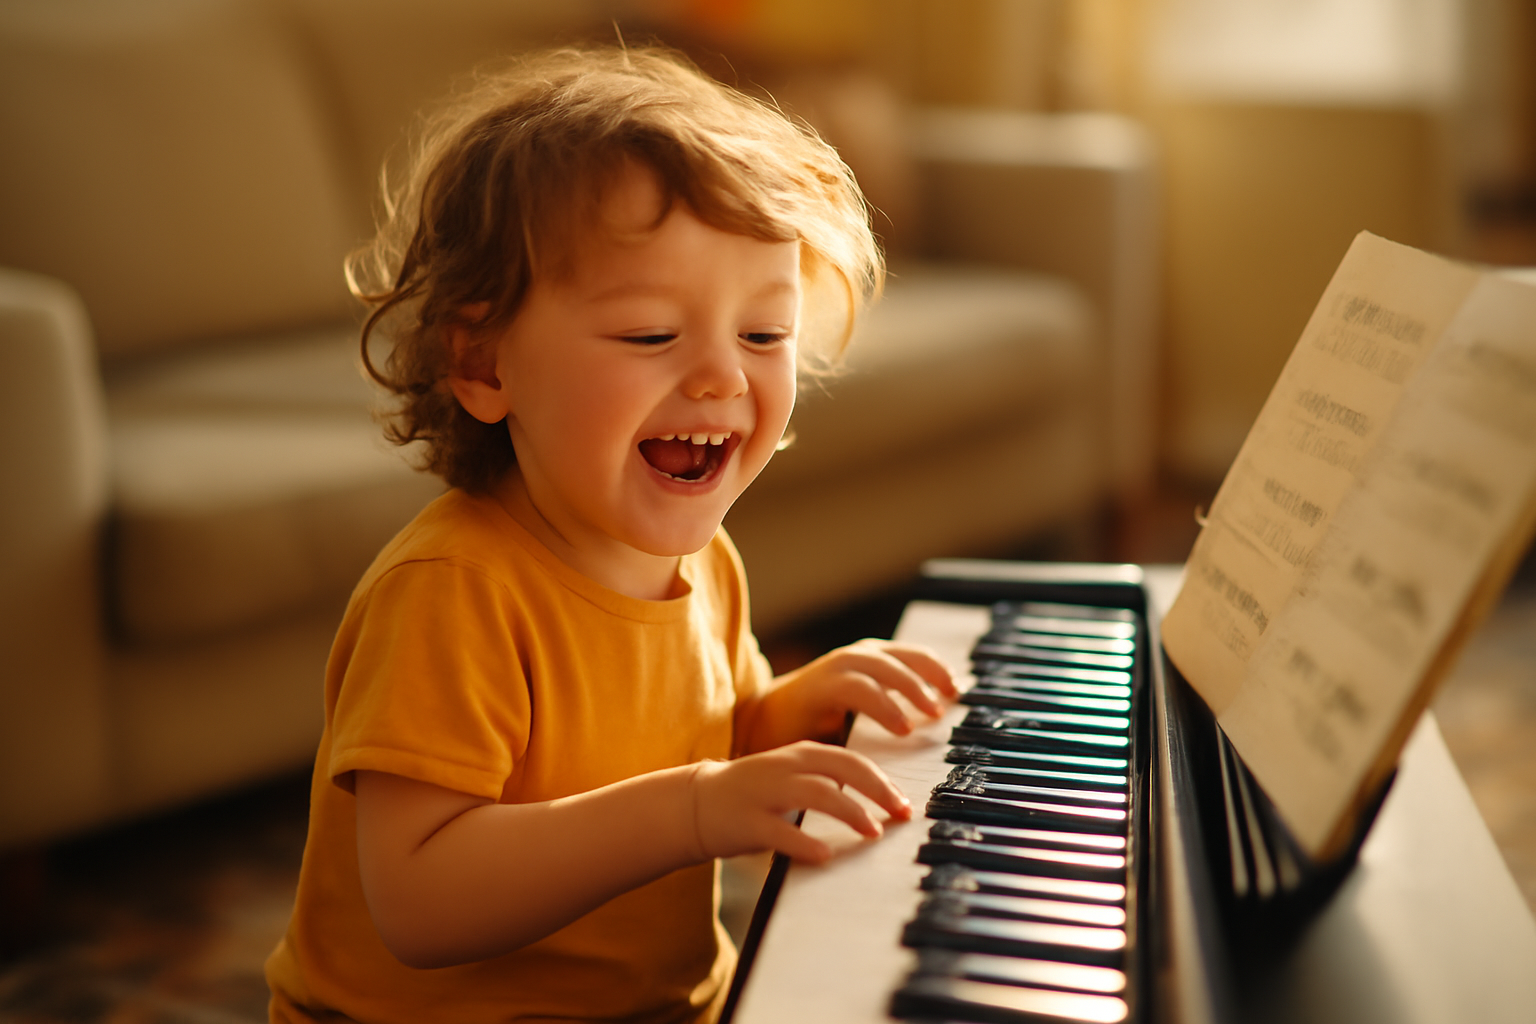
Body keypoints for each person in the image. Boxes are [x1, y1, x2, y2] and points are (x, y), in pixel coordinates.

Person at [264, 44, 956, 1023]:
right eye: (649, 334)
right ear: (483, 360)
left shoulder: (702, 560)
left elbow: (704, 733)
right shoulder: (452, 590)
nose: (723, 378)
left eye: (765, 336)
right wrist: (695, 810)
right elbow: (419, 899)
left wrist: (796, 709)